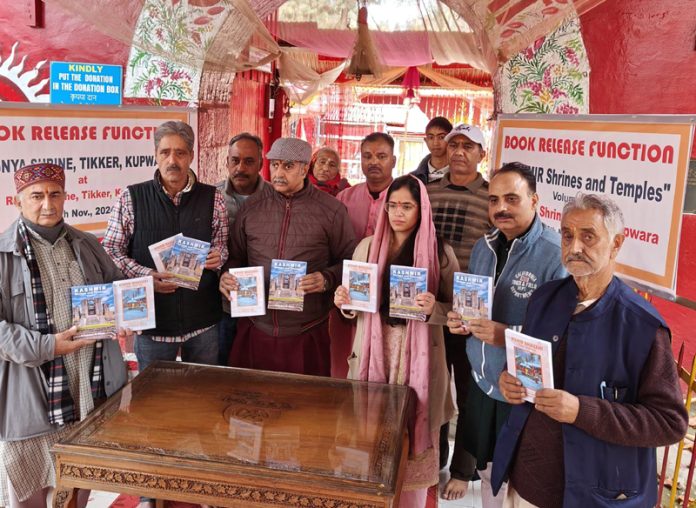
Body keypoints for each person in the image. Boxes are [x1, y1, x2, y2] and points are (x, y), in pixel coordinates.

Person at [492, 193, 688, 507]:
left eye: (588, 237)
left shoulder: (642, 327)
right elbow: (524, 363)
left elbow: (669, 423)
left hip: (594, 496)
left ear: (616, 244)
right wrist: (508, 379)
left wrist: (582, 411)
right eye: (567, 235)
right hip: (526, 484)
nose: (574, 248)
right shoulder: (545, 298)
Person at [0, 163, 127, 508]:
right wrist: (48, 346)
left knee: (79, 480)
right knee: (28, 490)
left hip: (88, 386)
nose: (47, 204)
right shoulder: (2, 255)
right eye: (36, 196)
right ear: (18, 200)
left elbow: (117, 289)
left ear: (65, 196)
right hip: (32, 391)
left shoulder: (86, 243)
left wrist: (128, 313)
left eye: (55, 194)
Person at [444, 163, 567, 506]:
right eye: (494, 199)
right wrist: (460, 321)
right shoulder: (485, 247)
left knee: (518, 477)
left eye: (512, 199)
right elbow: (474, 308)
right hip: (484, 381)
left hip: (521, 390)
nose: (500, 208)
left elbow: (561, 332)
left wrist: (506, 336)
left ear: (534, 201)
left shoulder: (553, 253)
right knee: (486, 467)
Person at [334, 174, 457, 507]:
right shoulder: (367, 247)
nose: (398, 213)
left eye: (407, 206)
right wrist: (345, 301)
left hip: (416, 359)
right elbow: (354, 309)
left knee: (410, 439)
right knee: (371, 437)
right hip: (376, 352)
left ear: (422, 209)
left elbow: (456, 311)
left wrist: (436, 308)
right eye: (392, 206)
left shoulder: (440, 252)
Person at [220, 137, 356, 376]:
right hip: (255, 327)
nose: (279, 173)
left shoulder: (332, 211)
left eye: (288, 166)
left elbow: (349, 263)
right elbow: (235, 258)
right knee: (250, 405)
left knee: (304, 409)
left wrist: (326, 279)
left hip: (307, 330)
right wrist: (226, 277)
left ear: (305, 168)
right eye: (274, 165)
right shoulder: (251, 207)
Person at [103, 120, 228, 373]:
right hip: (153, 326)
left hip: (203, 323)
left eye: (180, 153)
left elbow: (223, 246)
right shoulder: (132, 197)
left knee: (203, 395)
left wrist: (218, 257)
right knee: (154, 402)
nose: (173, 160)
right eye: (165, 152)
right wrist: (147, 275)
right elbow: (111, 250)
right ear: (155, 156)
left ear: (191, 156)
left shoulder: (212, 197)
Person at [426, 122, 491, 499]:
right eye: (455, 145)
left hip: (471, 314)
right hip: (432, 309)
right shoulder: (428, 192)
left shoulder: (491, 197)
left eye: (469, 146)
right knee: (433, 390)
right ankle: (434, 460)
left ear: (482, 154)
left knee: (470, 394)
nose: (460, 152)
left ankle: (464, 471)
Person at [215, 132, 270, 365]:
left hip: (265, 305)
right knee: (222, 367)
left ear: (260, 163)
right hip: (221, 302)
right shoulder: (211, 196)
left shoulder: (275, 197)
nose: (241, 167)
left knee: (258, 369)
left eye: (249, 161)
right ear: (227, 162)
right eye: (235, 160)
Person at [337, 132, 396, 240]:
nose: (373, 162)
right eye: (367, 156)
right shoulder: (344, 198)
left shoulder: (405, 199)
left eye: (381, 156)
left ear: (393, 161)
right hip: (349, 256)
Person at [411, 116, 453, 184]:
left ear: (451, 140)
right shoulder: (412, 179)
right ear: (426, 140)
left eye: (441, 137)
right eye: (431, 137)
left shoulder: (461, 177)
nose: (435, 143)